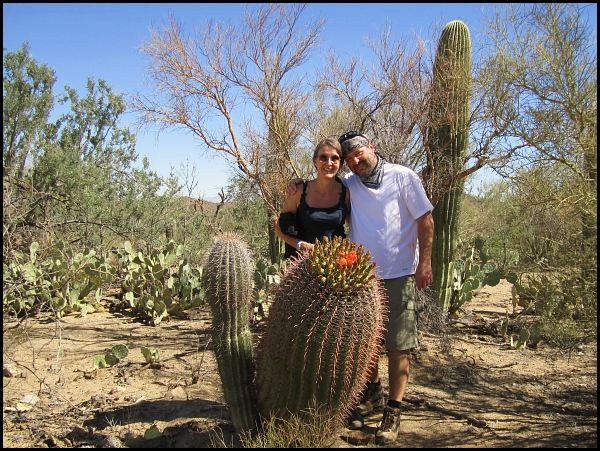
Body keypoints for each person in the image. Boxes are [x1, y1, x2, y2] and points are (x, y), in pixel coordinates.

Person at [287, 131, 434, 445]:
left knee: (398, 344)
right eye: (348, 157)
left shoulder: (403, 177)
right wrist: (297, 186)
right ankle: (372, 396)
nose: (355, 160)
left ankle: (393, 411)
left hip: (399, 274)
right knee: (362, 345)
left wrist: (425, 264)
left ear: (372, 147)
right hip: (361, 277)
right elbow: (320, 194)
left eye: (358, 152)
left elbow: (426, 220)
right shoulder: (349, 186)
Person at [275, 137, 350, 259]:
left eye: (335, 158)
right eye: (323, 157)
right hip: (300, 265)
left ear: (340, 163)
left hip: (333, 266)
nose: (329, 163)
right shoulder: (298, 191)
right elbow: (279, 227)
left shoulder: (346, 193)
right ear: (315, 161)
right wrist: (302, 245)